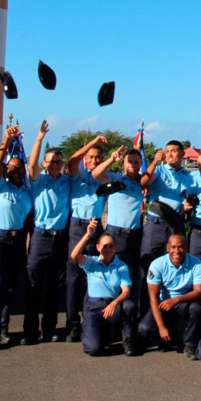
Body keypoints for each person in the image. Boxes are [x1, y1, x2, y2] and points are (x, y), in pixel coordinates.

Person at [22, 121, 73, 344]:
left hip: (60, 239)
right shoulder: (38, 180)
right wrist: (39, 139)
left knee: (55, 287)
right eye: (51, 161)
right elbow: (31, 166)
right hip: (40, 238)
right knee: (33, 286)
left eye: (58, 162)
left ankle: (50, 328)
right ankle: (30, 331)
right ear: (45, 162)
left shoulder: (67, 182)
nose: (55, 165)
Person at [0, 126, 32, 350]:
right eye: (10, 167)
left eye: (18, 167)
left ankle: (3, 328)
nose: (14, 170)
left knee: (10, 288)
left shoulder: (26, 192)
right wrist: (6, 138)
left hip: (17, 241)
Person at [64, 134, 109, 341]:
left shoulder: (103, 177)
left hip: (96, 227)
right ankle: (73, 324)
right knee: (74, 278)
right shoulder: (77, 174)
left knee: (93, 276)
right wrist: (92, 143)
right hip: (78, 226)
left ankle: (90, 321)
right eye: (90, 157)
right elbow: (71, 161)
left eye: (97, 157)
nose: (93, 160)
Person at [139, 141, 194, 311]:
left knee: (172, 268)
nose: (170, 154)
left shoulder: (189, 176)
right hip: (155, 224)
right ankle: (145, 312)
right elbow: (144, 180)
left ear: (182, 154)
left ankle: (168, 311)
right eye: (167, 151)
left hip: (174, 227)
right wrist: (155, 162)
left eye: (174, 151)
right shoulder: (160, 170)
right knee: (148, 266)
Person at [71, 220, 137, 356]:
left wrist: (114, 303)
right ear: (98, 247)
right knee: (94, 349)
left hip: (113, 306)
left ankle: (128, 340)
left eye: (111, 246)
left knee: (129, 306)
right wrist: (87, 235)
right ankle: (92, 333)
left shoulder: (121, 266)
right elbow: (75, 256)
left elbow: (126, 291)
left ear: (115, 247)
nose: (108, 249)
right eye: (104, 246)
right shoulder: (92, 262)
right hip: (94, 307)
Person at [137, 234, 201, 359]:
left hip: (185, 302)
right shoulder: (157, 264)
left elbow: (200, 292)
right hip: (164, 304)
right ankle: (166, 336)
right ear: (167, 248)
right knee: (144, 328)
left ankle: (190, 344)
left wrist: (176, 300)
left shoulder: (197, 264)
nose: (177, 251)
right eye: (173, 247)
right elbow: (153, 297)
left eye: (180, 247)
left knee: (197, 308)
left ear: (186, 247)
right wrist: (161, 326)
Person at [91, 146, 146, 303]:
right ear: (123, 163)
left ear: (141, 163)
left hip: (134, 236)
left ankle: (127, 317)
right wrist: (110, 159)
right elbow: (96, 174)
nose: (132, 166)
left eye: (136, 162)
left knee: (130, 277)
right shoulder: (115, 179)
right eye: (129, 162)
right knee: (109, 276)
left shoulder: (142, 182)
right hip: (114, 235)